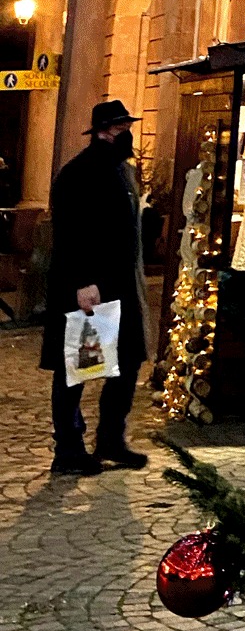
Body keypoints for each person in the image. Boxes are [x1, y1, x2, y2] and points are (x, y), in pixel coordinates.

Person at [39, 99, 150, 476]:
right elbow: (70, 232)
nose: (127, 134)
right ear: (105, 131)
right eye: (121, 128)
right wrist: (83, 282)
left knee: (129, 360)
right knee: (79, 367)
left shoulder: (121, 171)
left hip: (120, 284)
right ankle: (68, 448)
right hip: (91, 288)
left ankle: (110, 438)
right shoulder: (80, 172)